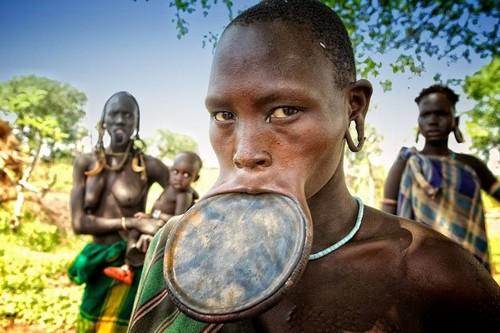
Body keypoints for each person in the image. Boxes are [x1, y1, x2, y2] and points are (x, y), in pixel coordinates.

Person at [129, 1, 500, 332]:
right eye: (224, 115)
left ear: (354, 106)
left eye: (285, 111)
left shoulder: (431, 274)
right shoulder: (179, 253)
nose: (245, 152)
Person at [68, 91, 169, 332]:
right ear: (103, 121)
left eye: (127, 115)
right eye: (114, 114)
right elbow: (79, 223)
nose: (121, 120)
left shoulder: (148, 165)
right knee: (89, 322)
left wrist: (156, 223)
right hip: (98, 260)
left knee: (124, 327)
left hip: (130, 262)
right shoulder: (85, 163)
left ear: (136, 123)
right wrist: (132, 224)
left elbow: (184, 199)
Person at [383, 85, 500, 271]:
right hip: (419, 268)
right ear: (418, 121)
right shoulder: (405, 164)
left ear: (455, 120)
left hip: (471, 267)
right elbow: (387, 222)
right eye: (425, 115)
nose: (432, 121)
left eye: (441, 114)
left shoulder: (472, 165)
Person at [106, 151, 202, 281]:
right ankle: (127, 266)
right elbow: (158, 208)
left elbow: (179, 219)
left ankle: (132, 265)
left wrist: (159, 216)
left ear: (195, 178)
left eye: (186, 174)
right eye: (176, 172)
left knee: (143, 235)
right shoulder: (170, 187)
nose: (179, 177)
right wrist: (147, 216)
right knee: (135, 229)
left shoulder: (183, 195)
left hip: (164, 226)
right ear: (169, 171)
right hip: (155, 220)